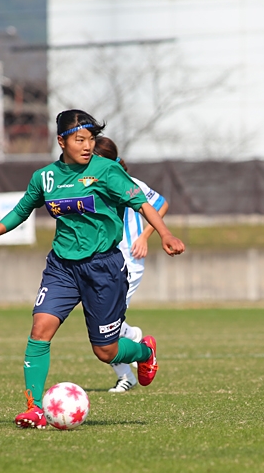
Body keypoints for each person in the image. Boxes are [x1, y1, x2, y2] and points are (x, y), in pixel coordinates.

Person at [0, 110, 185, 429]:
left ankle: (143, 352)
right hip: (61, 268)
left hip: (103, 268)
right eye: (79, 139)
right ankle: (35, 408)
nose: (87, 145)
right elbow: (22, 210)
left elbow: (143, 204)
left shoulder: (107, 171)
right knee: (40, 329)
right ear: (61, 141)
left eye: (91, 139)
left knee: (105, 351)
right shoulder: (45, 177)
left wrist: (164, 234)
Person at [93, 137, 169, 393]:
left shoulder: (128, 182)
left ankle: (127, 374)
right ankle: (134, 340)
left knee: (105, 326)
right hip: (99, 261)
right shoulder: (87, 183)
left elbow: (161, 203)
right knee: (101, 324)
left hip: (128, 260)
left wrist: (145, 236)